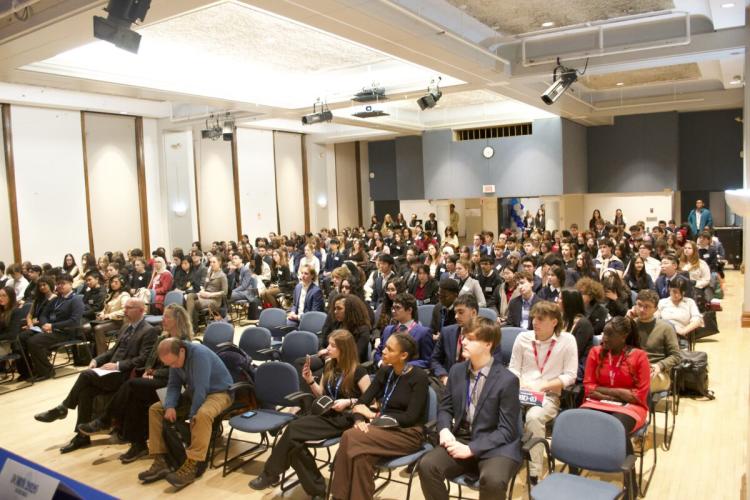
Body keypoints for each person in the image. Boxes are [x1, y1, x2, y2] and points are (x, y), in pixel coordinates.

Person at [251, 330, 371, 498]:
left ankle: (271, 474)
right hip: (327, 413)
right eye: (328, 344)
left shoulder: (359, 371)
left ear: (344, 349)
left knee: (293, 429)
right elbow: (321, 394)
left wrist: (349, 402)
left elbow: (371, 402)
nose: (328, 348)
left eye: (333, 346)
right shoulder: (330, 365)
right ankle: (317, 491)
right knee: (295, 446)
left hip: (347, 418)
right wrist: (310, 380)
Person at [33, 298, 157, 453]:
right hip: (110, 372)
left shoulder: (148, 330)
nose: (125, 311)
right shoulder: (126, 327)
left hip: (125, 375)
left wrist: (117, 365)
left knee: (85, 375)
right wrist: (96, 360)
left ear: (141, 310)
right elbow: (112, 352)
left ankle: (63, 408)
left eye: (129, 308)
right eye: (125, 307)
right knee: (85, 392)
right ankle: (81, 437)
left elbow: (143, 359)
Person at [77, 303, 193, 463]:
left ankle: (105, 421)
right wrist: (148, 371)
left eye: (167, 317)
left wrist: (154, 373)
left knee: (132, 386)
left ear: (177, 320)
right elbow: (149, 361)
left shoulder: (184, 343)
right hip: (155, 382)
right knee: (134, 396)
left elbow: (180, 373)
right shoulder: (162, 337)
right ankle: (137, 444)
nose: (163, 319)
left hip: (173, 388)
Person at [419, 322, 521, 500]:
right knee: (427, 465)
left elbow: (506, 431)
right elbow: (445, 407)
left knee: (493, 480)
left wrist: (472, 449)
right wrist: (444, 429)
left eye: (470, 339)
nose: (463, 341)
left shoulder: (507, 380)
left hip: (495, 445)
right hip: (463, 437)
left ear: (488, 344)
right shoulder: (456, 370)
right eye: (464, 337)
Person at [330, 333, 429, 500]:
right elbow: (362, 401)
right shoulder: (385, 371)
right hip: (381, 429)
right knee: (361, 457)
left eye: (390, 349)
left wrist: (374, 415)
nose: (383, 351)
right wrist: (359, 420)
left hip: (408, 433)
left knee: (349, 436)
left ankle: (338, 497)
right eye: (385, 347)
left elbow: (411, 418)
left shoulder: (419, 377)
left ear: (403, 355)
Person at [138, 338, 233, 489]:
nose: (173, 366)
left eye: (174, 363)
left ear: (182, 351)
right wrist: (170, 406)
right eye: (169, 364)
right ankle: (161, 459)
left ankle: (193, 464)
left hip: (220, 393)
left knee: (202, 415)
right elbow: (173, 385)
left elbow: (201, 389)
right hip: (194, 392)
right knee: (156, 409)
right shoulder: (175, 359)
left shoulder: (199, 355)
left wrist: (192, 415)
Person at [508, 301, 578, 484]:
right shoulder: (523, 338)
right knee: (497, 407)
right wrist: (521, 383)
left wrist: (544, 386)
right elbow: (513, 368)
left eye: (540, 319)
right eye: (534, 318)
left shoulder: (567, 341)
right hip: (521, 391)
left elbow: (570, 376)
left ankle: (534, 472)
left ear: (554, 322)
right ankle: (504, 458)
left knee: (534, 417)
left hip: (548, 395)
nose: (534, 322)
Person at [581, 316, 650, 464]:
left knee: (616, 426)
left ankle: (628, 473)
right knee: (579, 422)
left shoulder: (639, 356)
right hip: (597, 402)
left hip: (631, 408)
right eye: (604, 333)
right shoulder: (595, 352)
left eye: (610, 334)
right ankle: (577, 466)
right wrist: (619, 394)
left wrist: (603, 391)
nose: (604, 338)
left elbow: (638, 396)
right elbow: (589, 387)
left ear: (624, 336)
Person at [20, 274, 84, 380]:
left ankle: (46, 371)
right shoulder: (56, 299)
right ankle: (29, 371)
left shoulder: (76, 299)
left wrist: (52, 326)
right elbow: (43, 315)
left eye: (63, 283)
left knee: (34, 341)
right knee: (22, 337)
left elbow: (74, 321)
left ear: (70, 284)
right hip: (50, 329)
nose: (60, 286)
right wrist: (45, 325)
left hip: (65, 332)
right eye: (58, 284)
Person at [626, 290, 680, 392]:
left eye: (647, 306)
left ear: (655, 309)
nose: (642, 309)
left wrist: (660, 365)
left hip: (656, 372)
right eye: (639, 305)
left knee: (641, 382)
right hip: (632, 369)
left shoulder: (665, 328)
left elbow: (676, 356)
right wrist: (627, 320)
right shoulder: (630, 325)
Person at [374, 293, 434, 369]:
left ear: (409, 310)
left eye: (397, 308)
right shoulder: (388, 330)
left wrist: (401, 365)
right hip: (384, 372)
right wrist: (381, 363)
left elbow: (427, 361)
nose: (393, 311)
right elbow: (378, 352)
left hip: (407, 374)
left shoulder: (423, 333)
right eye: (393, 308)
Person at [430, 294, 479, 385]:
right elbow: (434, 360)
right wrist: (443, 376)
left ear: (473, 313)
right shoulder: (446, 332)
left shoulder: (488, 336)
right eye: (455, 312)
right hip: (448, 381)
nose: (456, 316)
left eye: (460, 312)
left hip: (474, 383)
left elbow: (493, 366)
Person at [90, 275, 131, 355]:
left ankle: (102, 354)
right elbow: (105, 309)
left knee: (98, 328)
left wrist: (108, 315)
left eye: (116, 282)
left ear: (122, 283)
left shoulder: (124, 295)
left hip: (120, 321)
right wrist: (101, 314)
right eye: (112, 282)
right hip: (108, 320)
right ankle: (93, 353)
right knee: (86, 327)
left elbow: (125, 311)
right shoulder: (111, 294)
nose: (113, 284)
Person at [657, 277, 703, 349]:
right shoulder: (662, 302)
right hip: (663, 333)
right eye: (674, 291)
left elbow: (697, 320)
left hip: (680, 335)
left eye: (681, 292)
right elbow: (655, 318)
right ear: (669, 289)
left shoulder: (689, 302)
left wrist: (683, 331)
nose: (677, 295)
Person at [185, 255, 227, 331]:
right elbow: (205, 286)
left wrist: (210, 294)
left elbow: (224, 292)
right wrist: (202, 291)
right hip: (204, 296)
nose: (212, 264)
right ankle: (190, 323)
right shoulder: (209, 273)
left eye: (214, 262)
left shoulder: (222, 275)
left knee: (193, 303)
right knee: (190, 296)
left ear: (219, 263)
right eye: (211, 262)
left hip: (214, 300)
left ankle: (191, 326)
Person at [559, 289, 594, 378]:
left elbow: (575, 352)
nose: (557, 301)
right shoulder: (563, 320)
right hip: (562, 361)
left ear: (569, 303)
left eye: (560, 298)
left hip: (578, 366)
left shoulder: (583, 324)